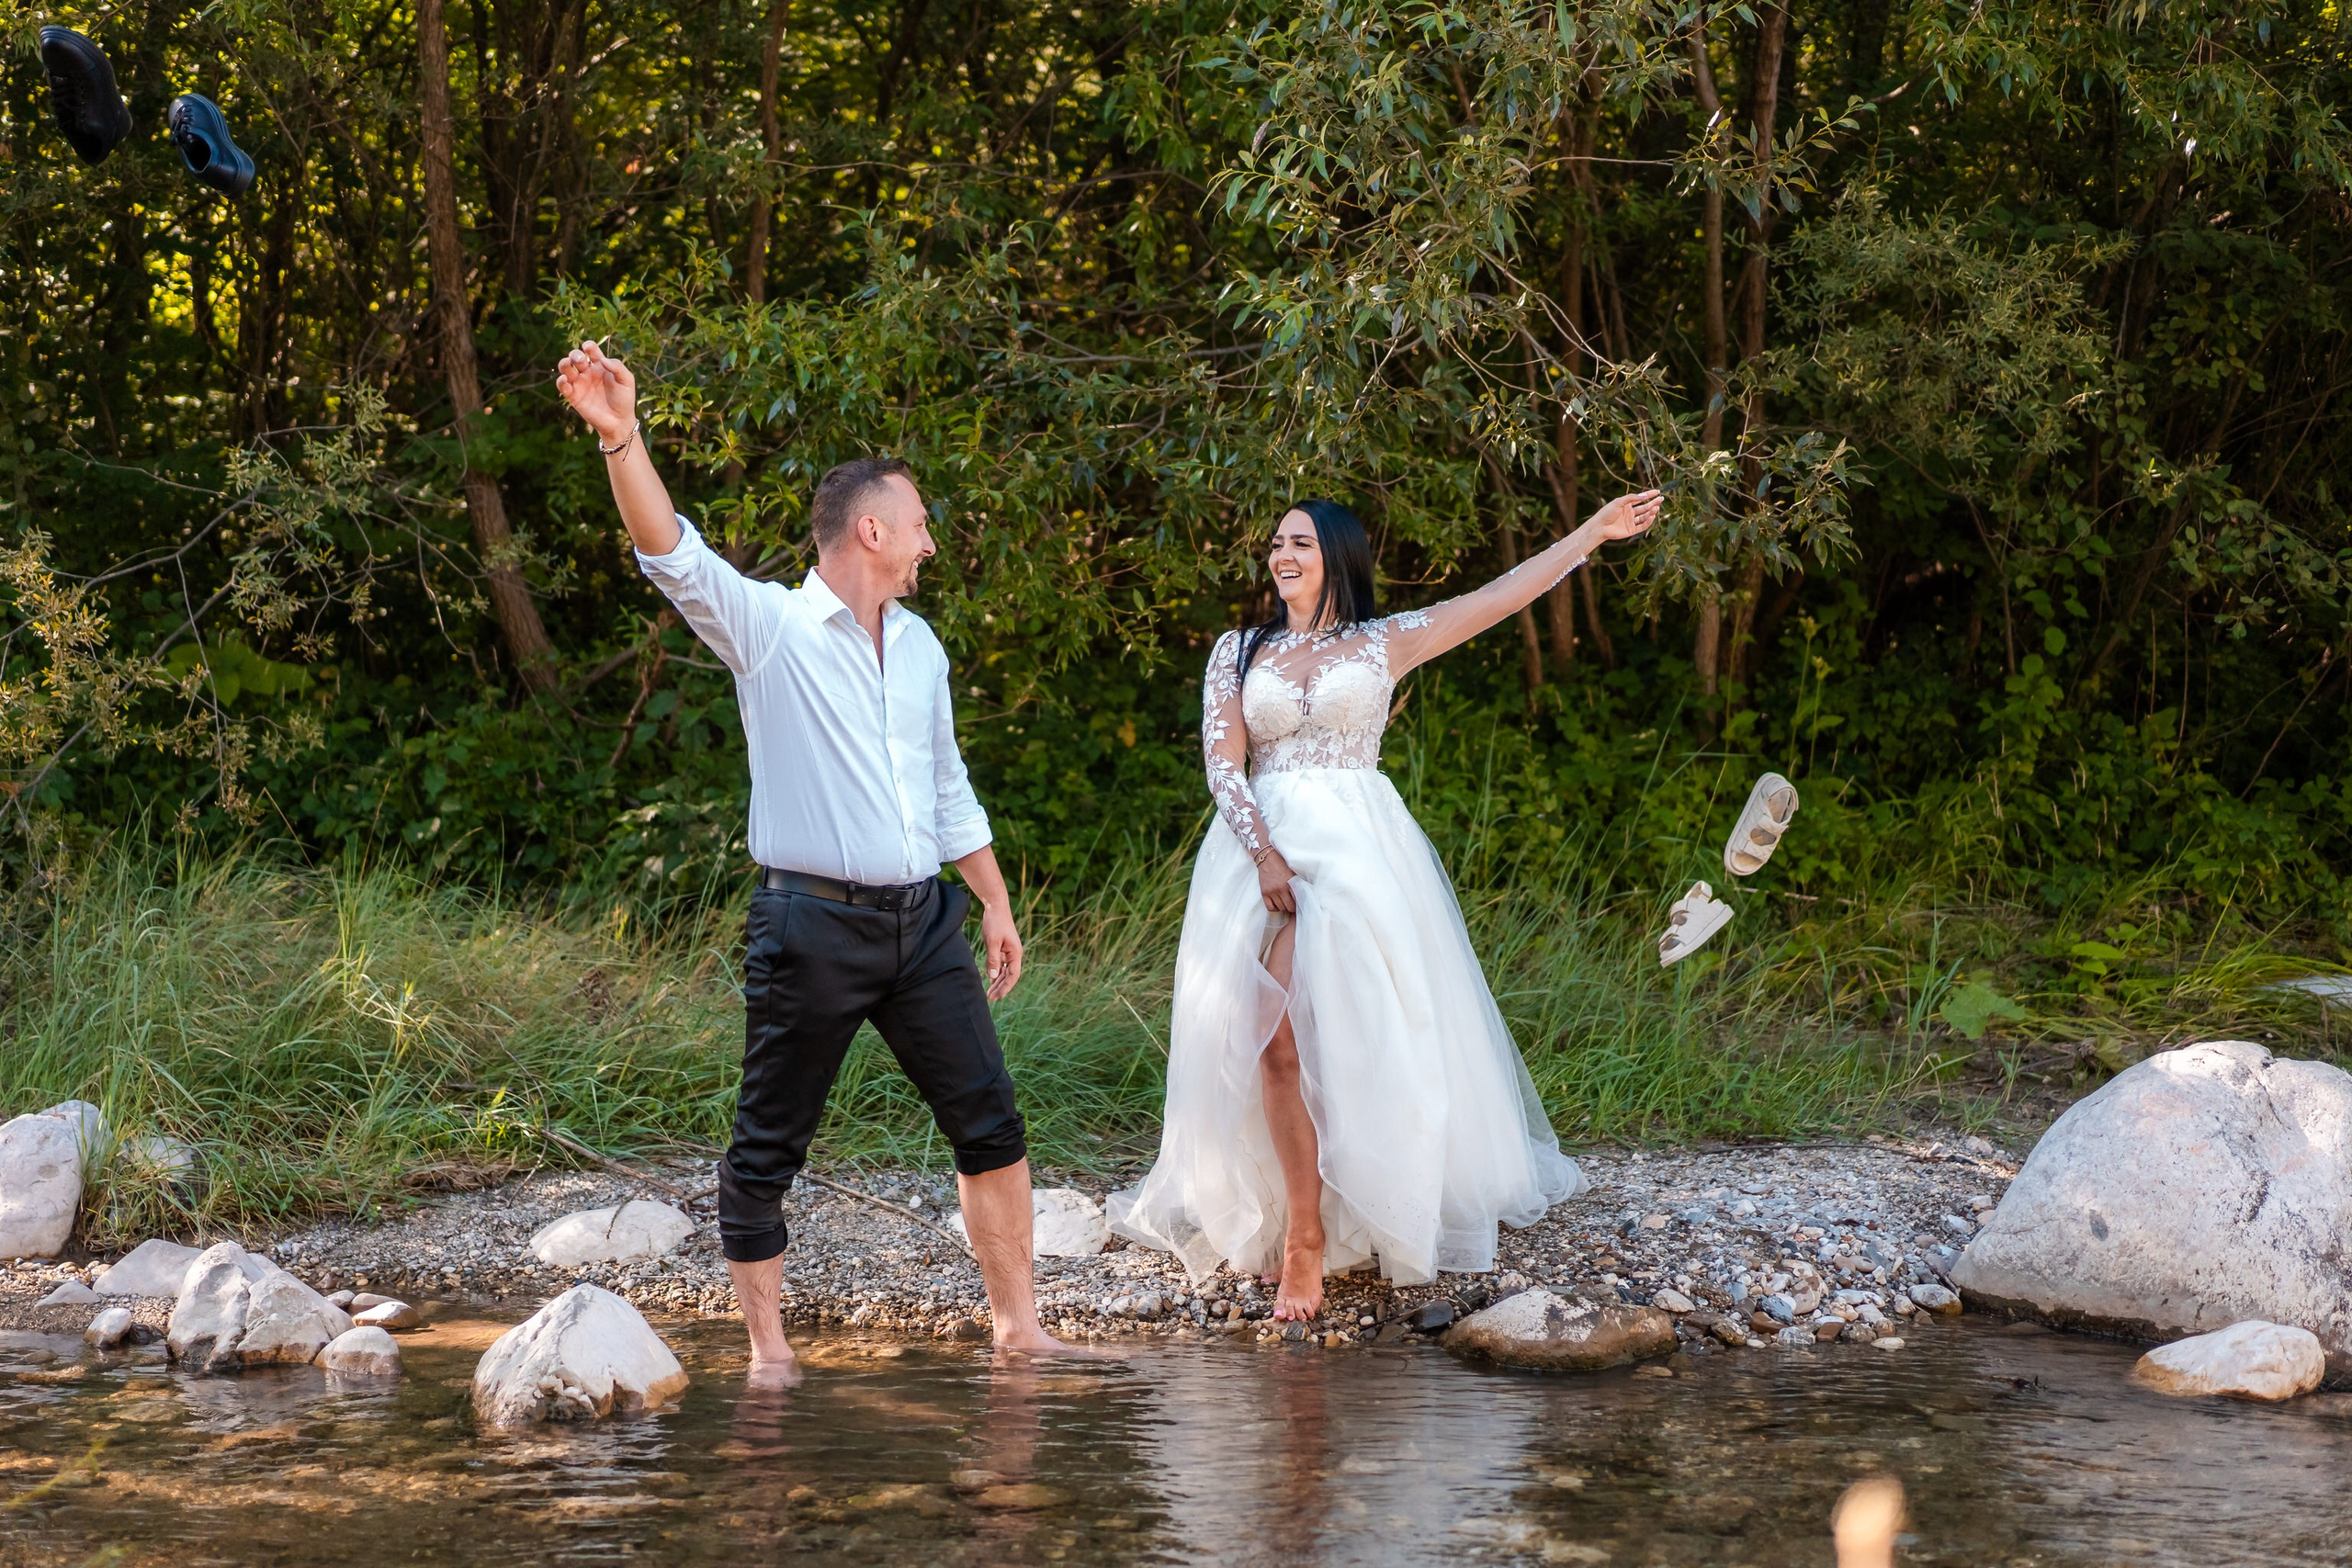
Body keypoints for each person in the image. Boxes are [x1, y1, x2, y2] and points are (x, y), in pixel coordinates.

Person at [555, 339, 1077, 1374]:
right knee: (767, 1145)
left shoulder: (921, 645)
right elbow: (673, 553)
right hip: (810, 928)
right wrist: (623, 438)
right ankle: (770, 1356)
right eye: (920, 524)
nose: (930, 542)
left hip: (923, 926)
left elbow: (946, 787)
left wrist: (995, 903)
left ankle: (1019, 1332)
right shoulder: (773, 629)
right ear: (872, 529)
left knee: (993, 1124)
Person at [1109, 491, 1663, 1319]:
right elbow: (1224, 762)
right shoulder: (1237, 648)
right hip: (1259, 853)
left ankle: (1348, 1215)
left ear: (1337, 554)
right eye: (1274, 542)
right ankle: (1301, 1231)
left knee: (1347, 1036)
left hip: (1360, 854)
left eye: (1299, 541)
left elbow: (1497, 596)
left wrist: (1591, 532)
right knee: (1272, 1038)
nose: (1280, 554)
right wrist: (1264, 851)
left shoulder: (1382, 643)